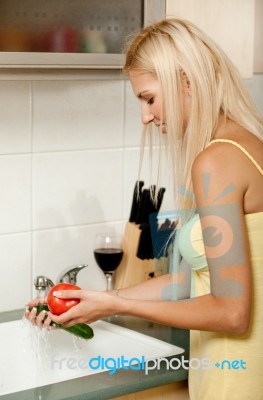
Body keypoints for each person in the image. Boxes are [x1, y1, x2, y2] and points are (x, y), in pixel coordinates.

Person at [25, 18, 263, 400]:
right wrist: (100, 304)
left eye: (149, 98)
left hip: (236, 383)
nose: (146, 117)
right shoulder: (247, 145)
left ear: (185, 81)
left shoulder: (216, 161)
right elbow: (191, 283)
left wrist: (112, 302)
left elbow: (232, 312)